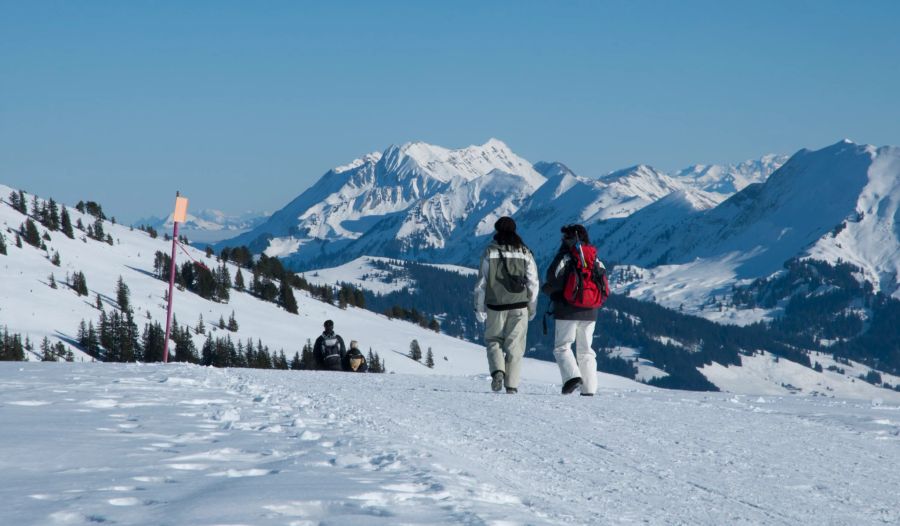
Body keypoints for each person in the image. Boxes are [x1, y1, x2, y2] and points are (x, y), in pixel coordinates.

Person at [541, 224, 610, 396]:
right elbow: (603, 284)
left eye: (564, 238)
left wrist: (547, 290)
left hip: (567, 309)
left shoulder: (565, 257)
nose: (561, 241)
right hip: (591, 309)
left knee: (562, 346)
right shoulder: (595, 258)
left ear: (568, 239)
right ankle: (589, 389)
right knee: (586, 351)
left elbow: (552, 278)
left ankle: (572, 378)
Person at [473, 216, 539, 394]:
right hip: (520, 305)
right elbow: (533, 282)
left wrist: (479, 308)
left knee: (493, 340)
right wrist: (532, 307)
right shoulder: (525, 252)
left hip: (496, 305)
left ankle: (497, 372)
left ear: (496, 231)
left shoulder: (490, 251)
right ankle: (512, 386)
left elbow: (482, 283)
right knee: (515, 346)